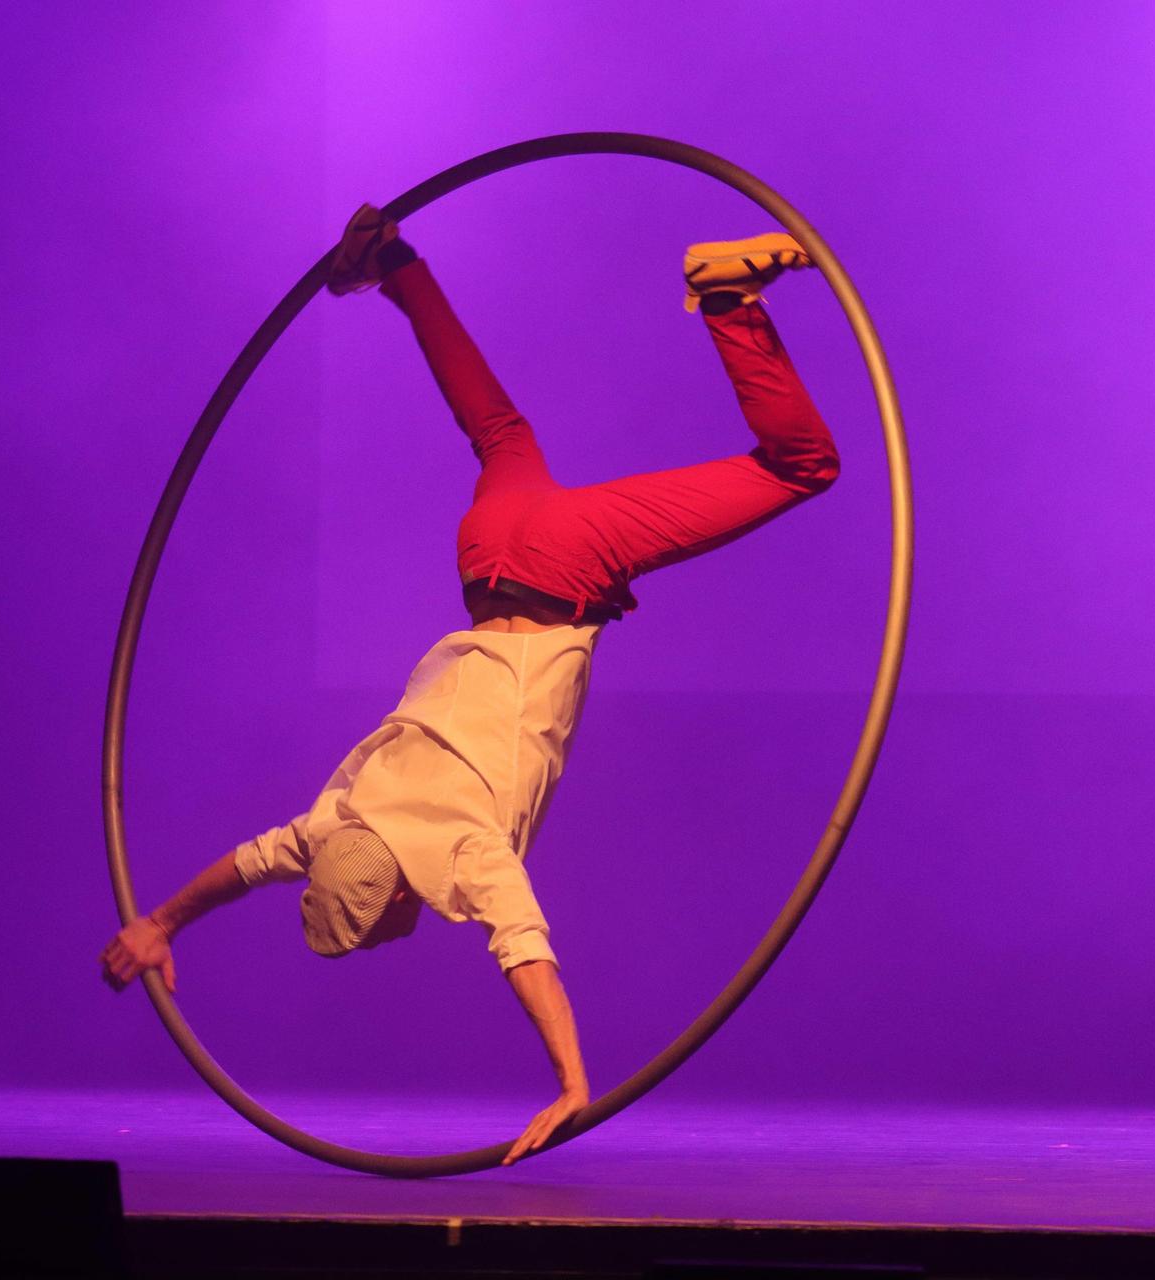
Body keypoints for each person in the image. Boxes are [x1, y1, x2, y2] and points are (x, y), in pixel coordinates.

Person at [99, 206, 839, 1164]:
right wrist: (157, 922)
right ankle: (392, 262)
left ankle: (726, 298)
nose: (392, 937)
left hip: (565, 570)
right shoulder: (334, 822)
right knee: (498, 434)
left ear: (393, 900)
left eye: (381, 929)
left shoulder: (464, 854)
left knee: (802, 467)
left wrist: (572, 1083)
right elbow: (241, 869)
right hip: (489, 552)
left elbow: (528, 959)